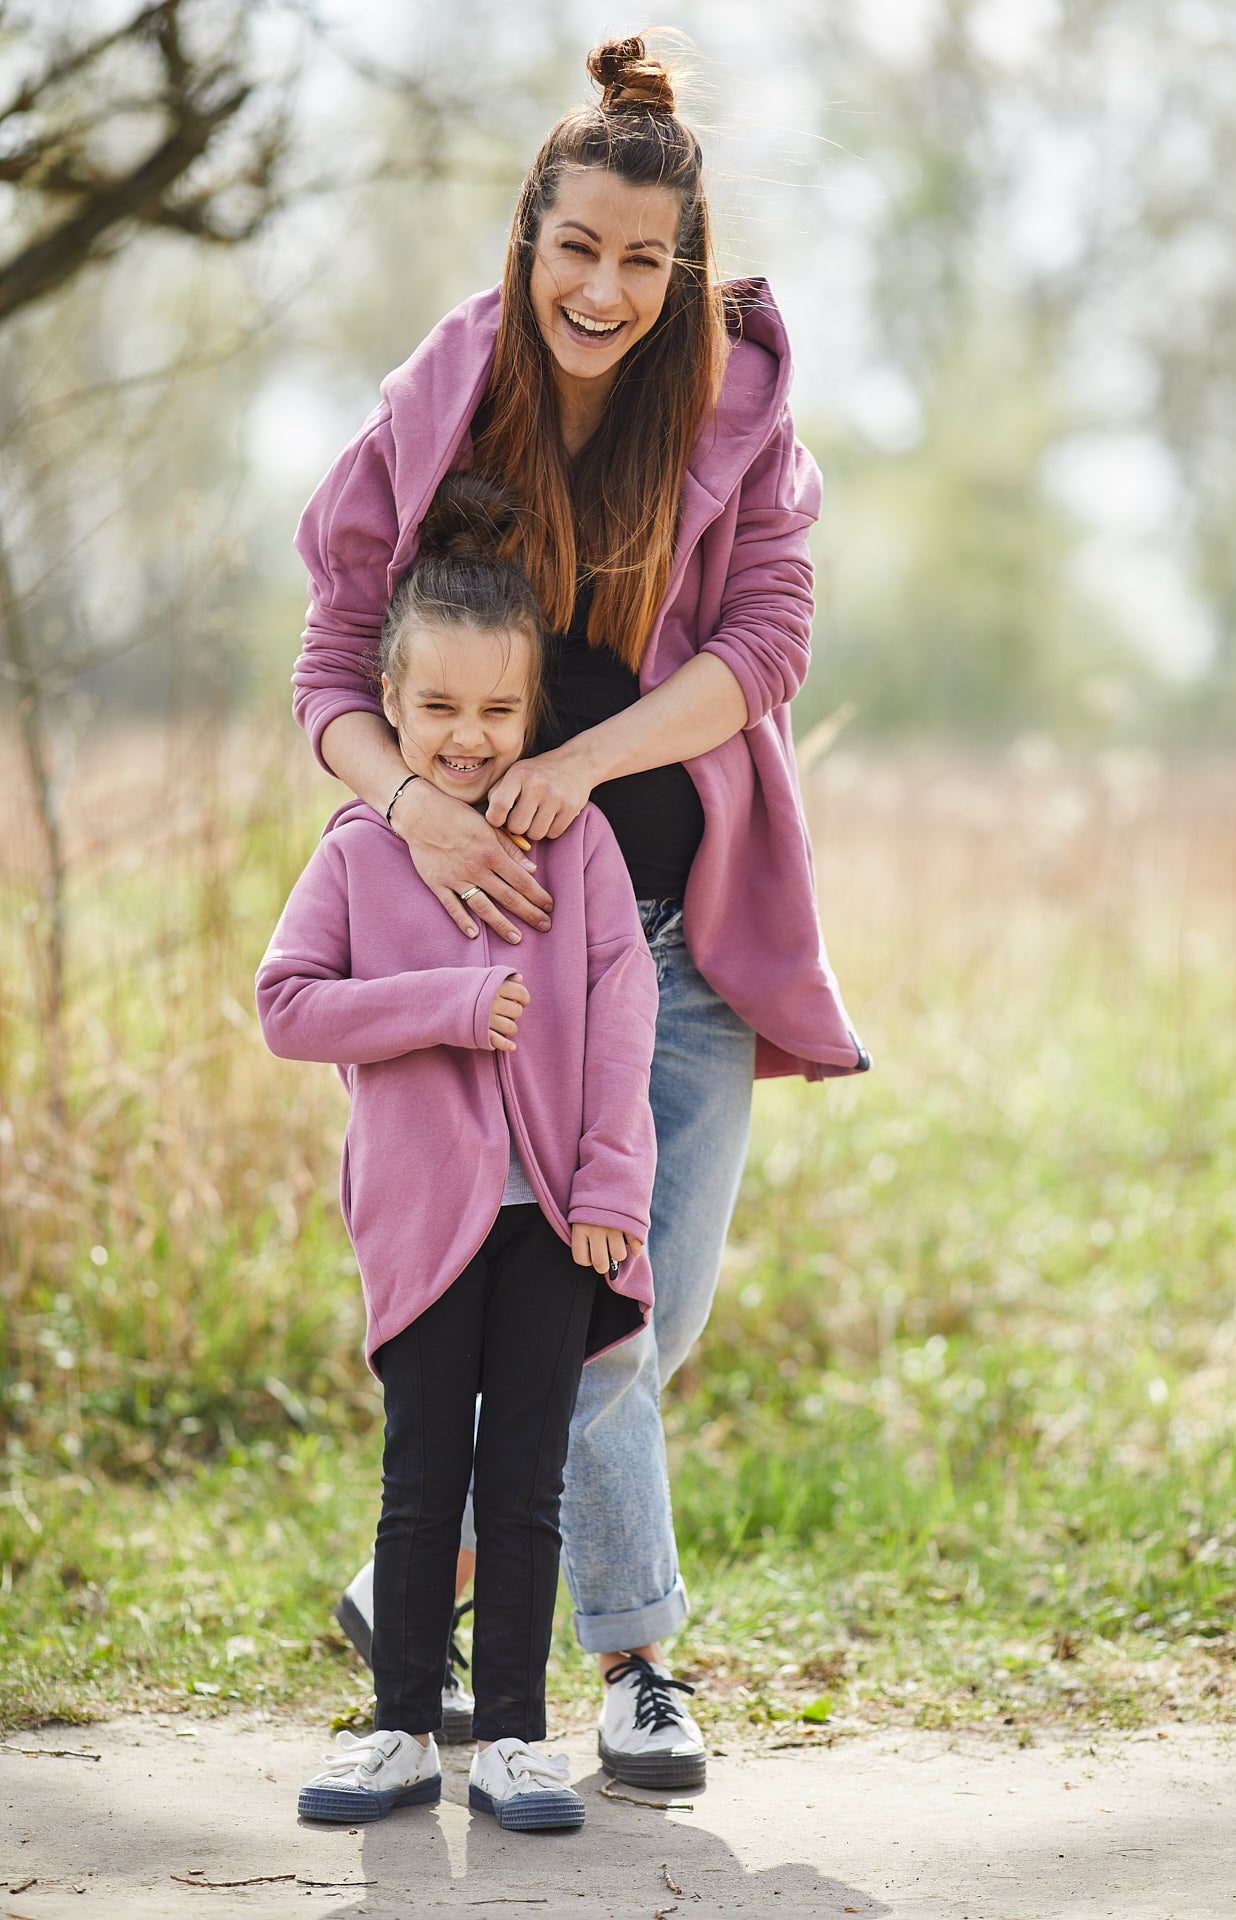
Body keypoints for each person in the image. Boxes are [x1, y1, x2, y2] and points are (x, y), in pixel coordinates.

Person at [291, 34, 871, 1793]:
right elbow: (333, 666)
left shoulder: (741, 418)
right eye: (575, 251)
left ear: (681, 269)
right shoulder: (436, 404)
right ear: (525, 238)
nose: (603, 291)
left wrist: (586, 755)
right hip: (480, 949)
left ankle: (430, 1585)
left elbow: (764, 650)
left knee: (644, 1301)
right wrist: (412, 807)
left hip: (677, 937)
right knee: (568, 1304)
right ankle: (636, 1668)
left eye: (641, 261)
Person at [258, 475, 659, 1831]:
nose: (469, 738)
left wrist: (610, 1184)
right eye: (437, 710)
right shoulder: (364, 851)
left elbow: (622, 1013)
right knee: (423, 1475)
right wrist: (438, 1007)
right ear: (392, 701)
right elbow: (288, 1004)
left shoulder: (581, 842)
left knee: (527, 1480)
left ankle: (514, 1741)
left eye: (497, 712)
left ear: (531, 709)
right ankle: (396, 1734)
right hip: (424, 1217)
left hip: (551, 1215)